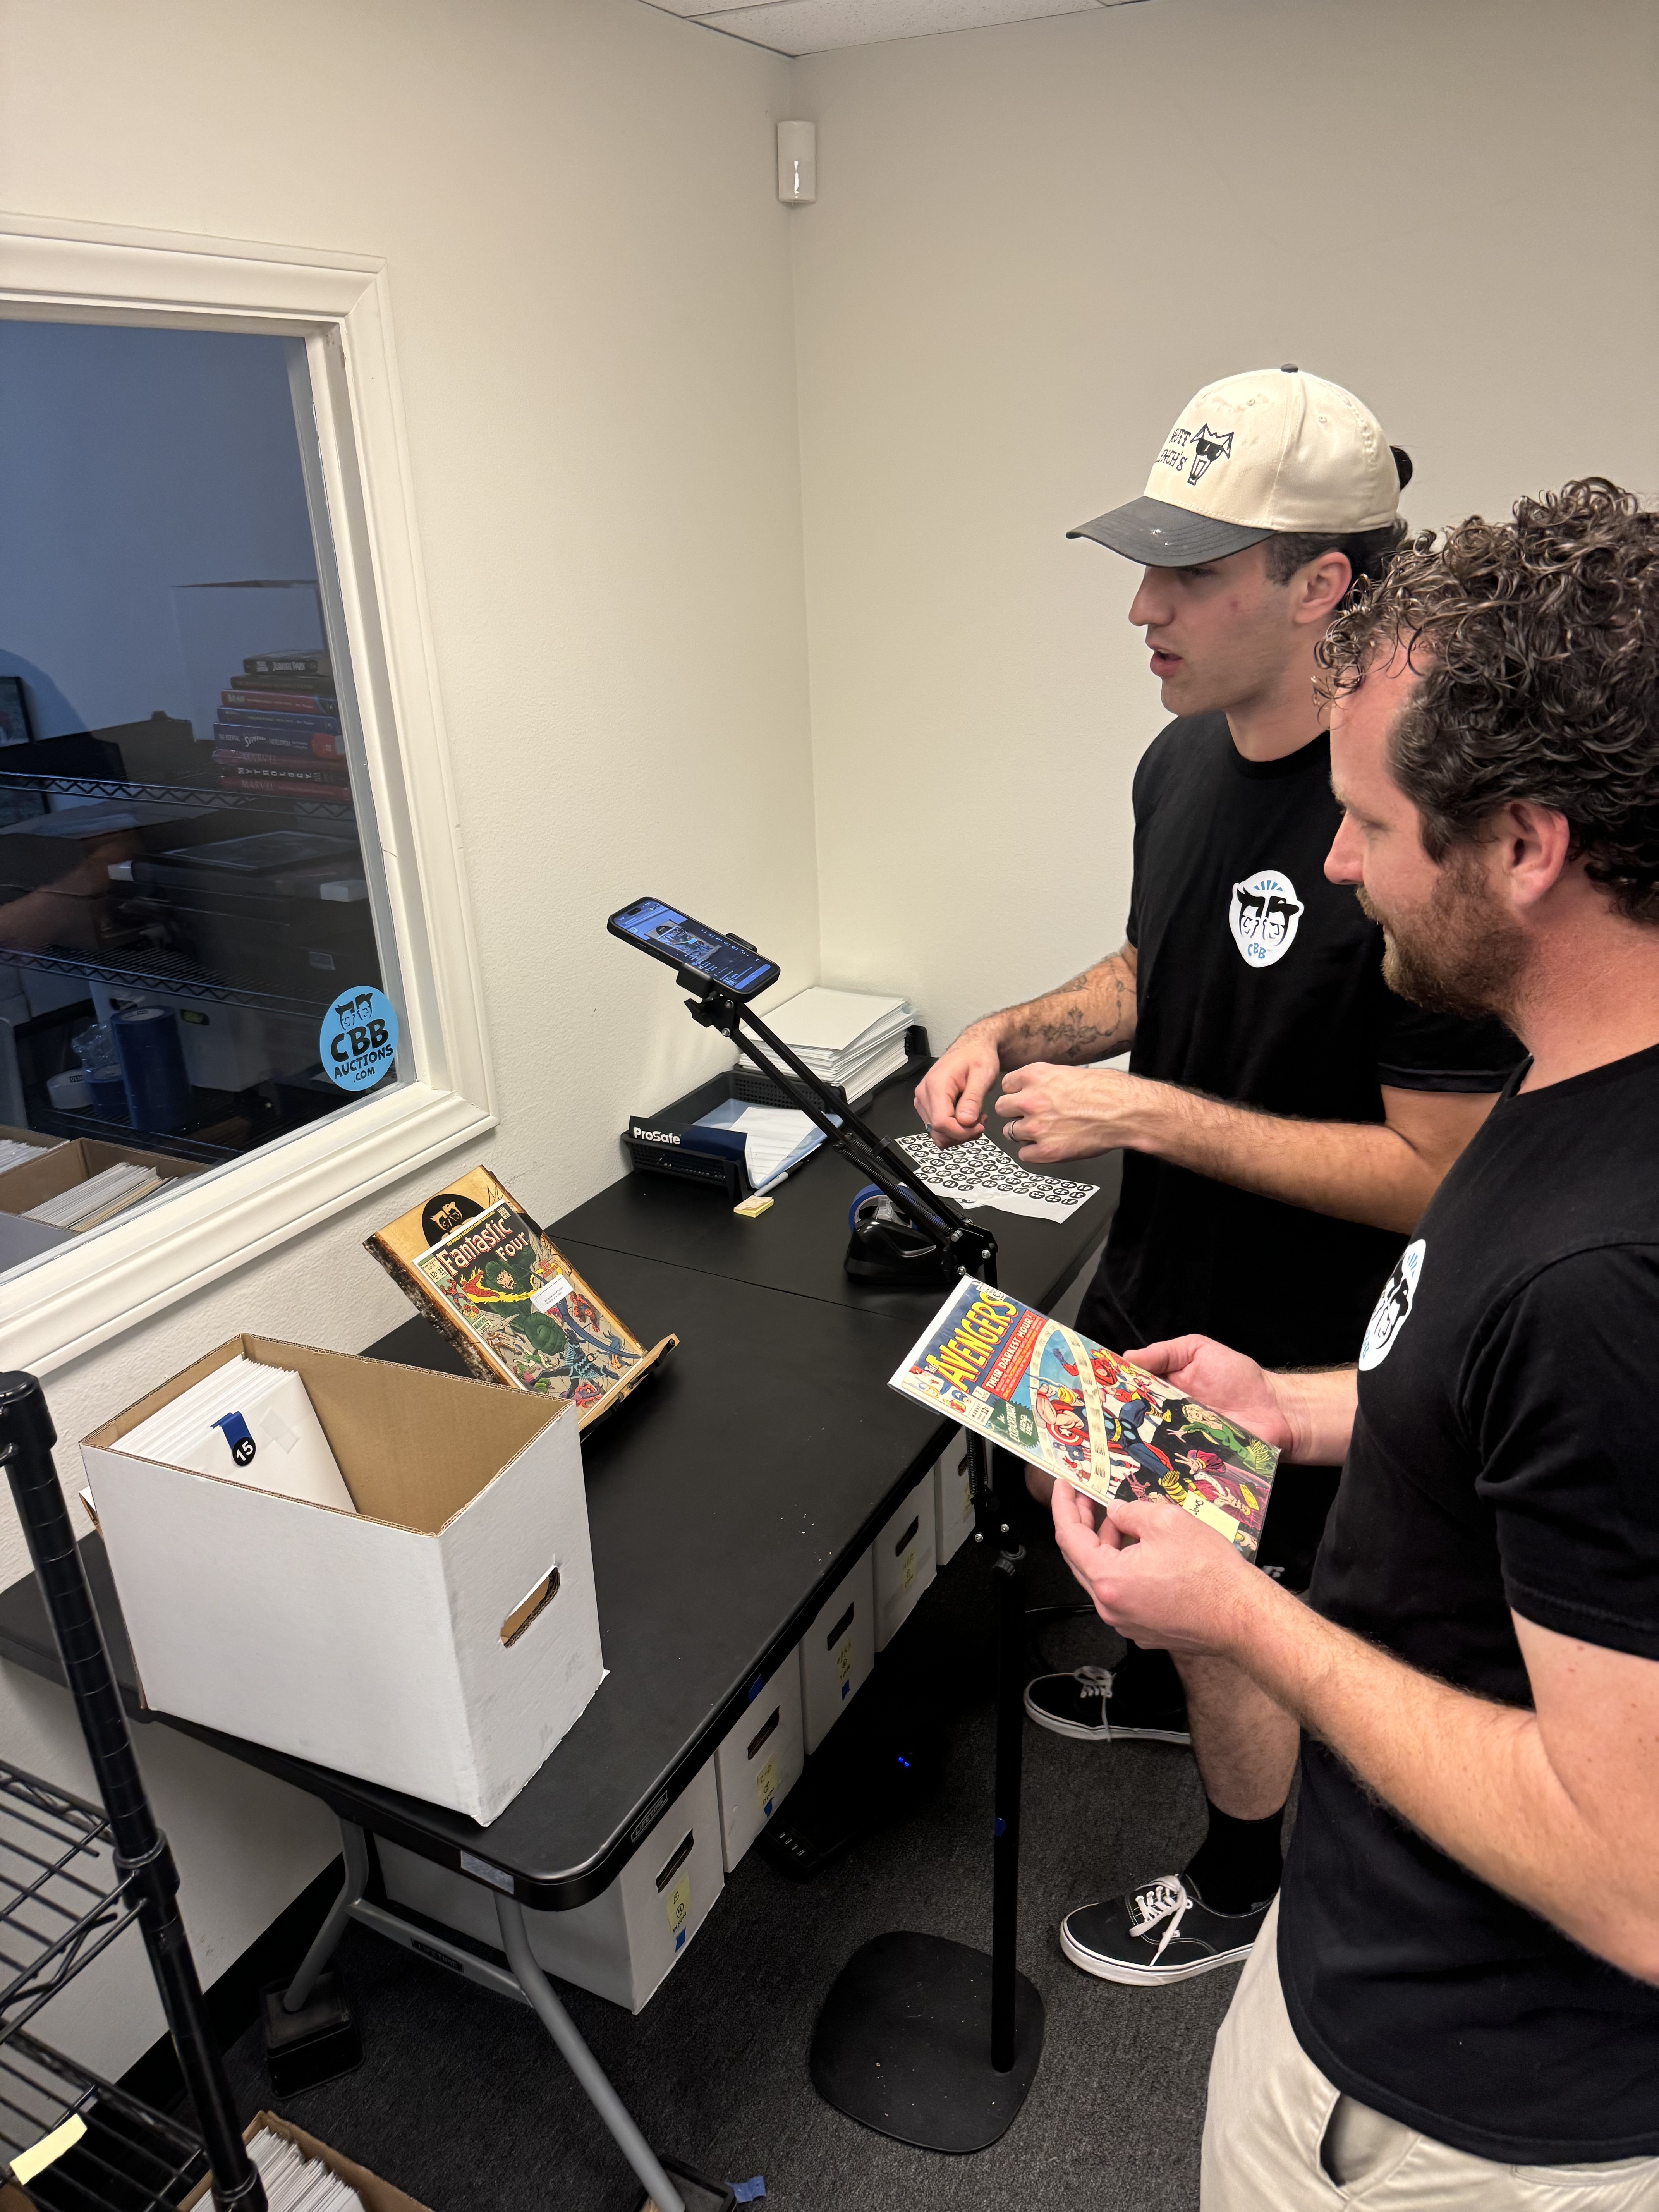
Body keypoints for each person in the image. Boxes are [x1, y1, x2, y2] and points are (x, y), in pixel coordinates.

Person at [1052, 479, 1659, 2205]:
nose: (1333, 863)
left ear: (1528, 846)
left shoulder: (1609, 1276)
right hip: (1366, 1944)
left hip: (1461, 2117)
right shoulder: (1569, 1079)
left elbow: (1636, 1879)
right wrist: (1292, 1413)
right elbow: (1479, 1407)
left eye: (1374, 829)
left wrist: (1236, 1610)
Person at [914, 365, 1521, 1982]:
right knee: (1138, 1556)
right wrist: (1017, 1027)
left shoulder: (1409, 829)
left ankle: (1245, 1881)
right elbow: (1158, 966)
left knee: (1246, 1615)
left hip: (1304, 1342)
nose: (1141, 609)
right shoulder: (1177, 762)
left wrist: (1145, 1119)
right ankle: (1165, 1687)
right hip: (1160, 1267)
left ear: (1323, 583)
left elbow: (1437, 1179)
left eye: (1189, 573)